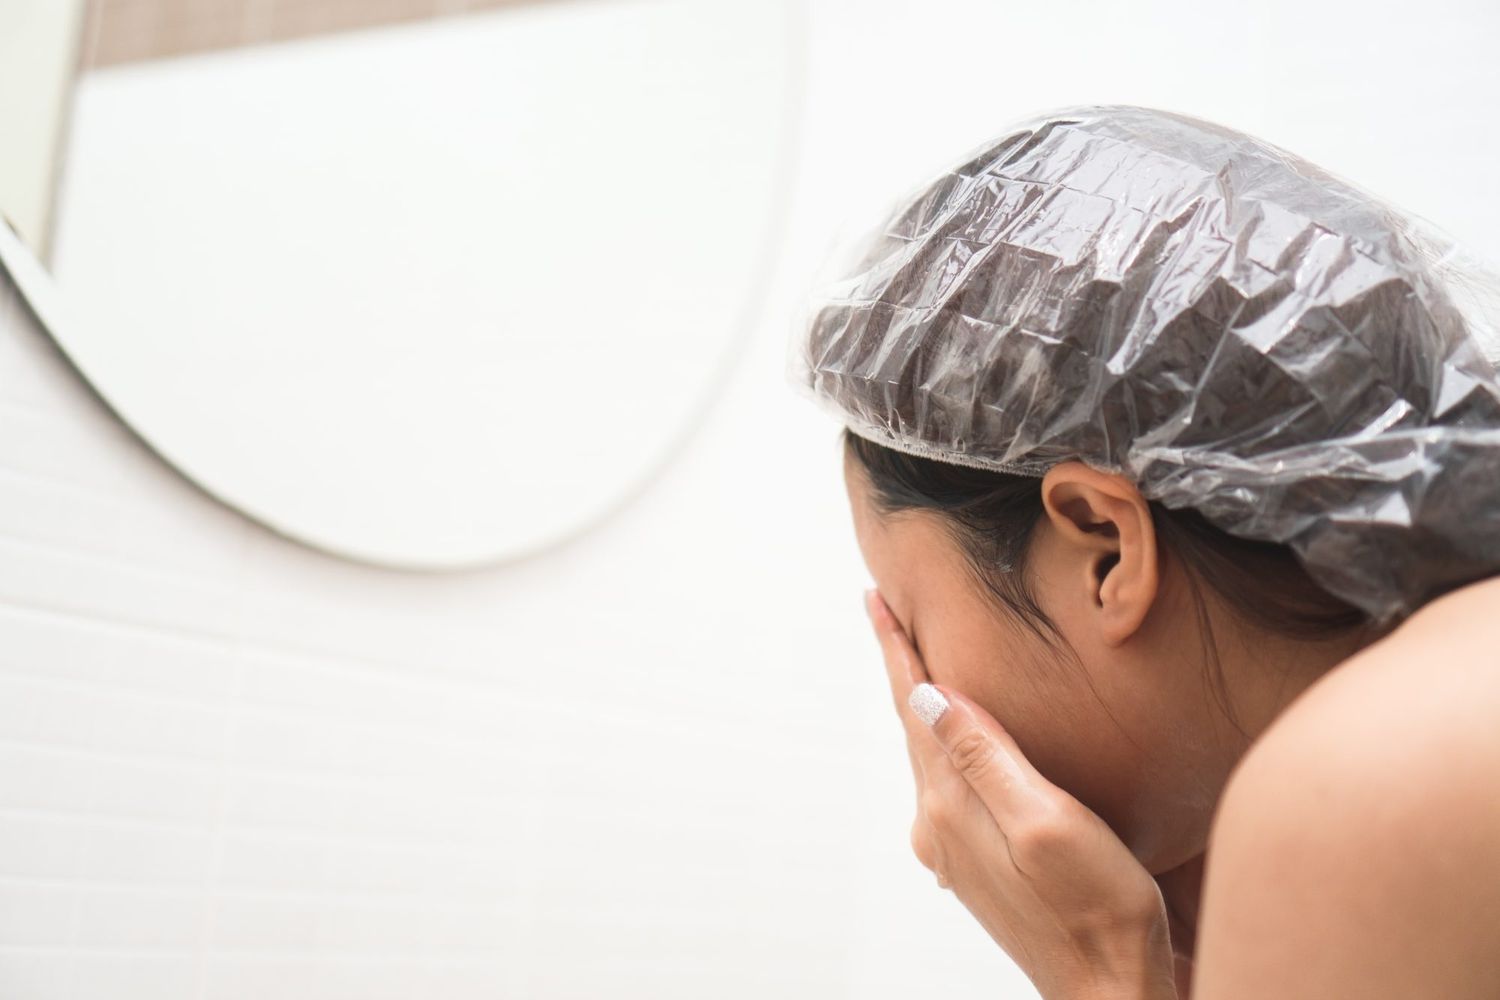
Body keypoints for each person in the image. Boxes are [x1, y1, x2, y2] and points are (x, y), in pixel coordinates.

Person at [790, 104, 1500, 999]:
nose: (915, 689)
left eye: (913, 625)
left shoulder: (1362, 787)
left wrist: (1104, 978)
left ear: (1104, 544)